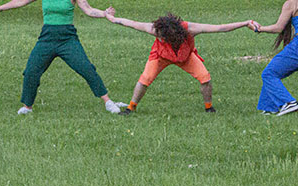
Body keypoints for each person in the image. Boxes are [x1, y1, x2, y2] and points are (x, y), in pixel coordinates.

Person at [0, 0, 122, 115]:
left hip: (68, 39)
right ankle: (27, 107)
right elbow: (21, 1)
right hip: (47, 39)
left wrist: (104, 14)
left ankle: (108, 102)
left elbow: (88, 9)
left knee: (86, 68)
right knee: (31, 71)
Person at [106, 10, 254, 114]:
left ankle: (209, 107)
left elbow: (220, 28)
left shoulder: (190, 29)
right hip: (160, 57)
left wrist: (245, 23)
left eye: (163, 38)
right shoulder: (155, 30)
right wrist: (112, 18)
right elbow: (131, 23)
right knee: (145, 79)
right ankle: (131, 107)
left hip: (185, 56)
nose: (160, 39)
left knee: (205, 78)